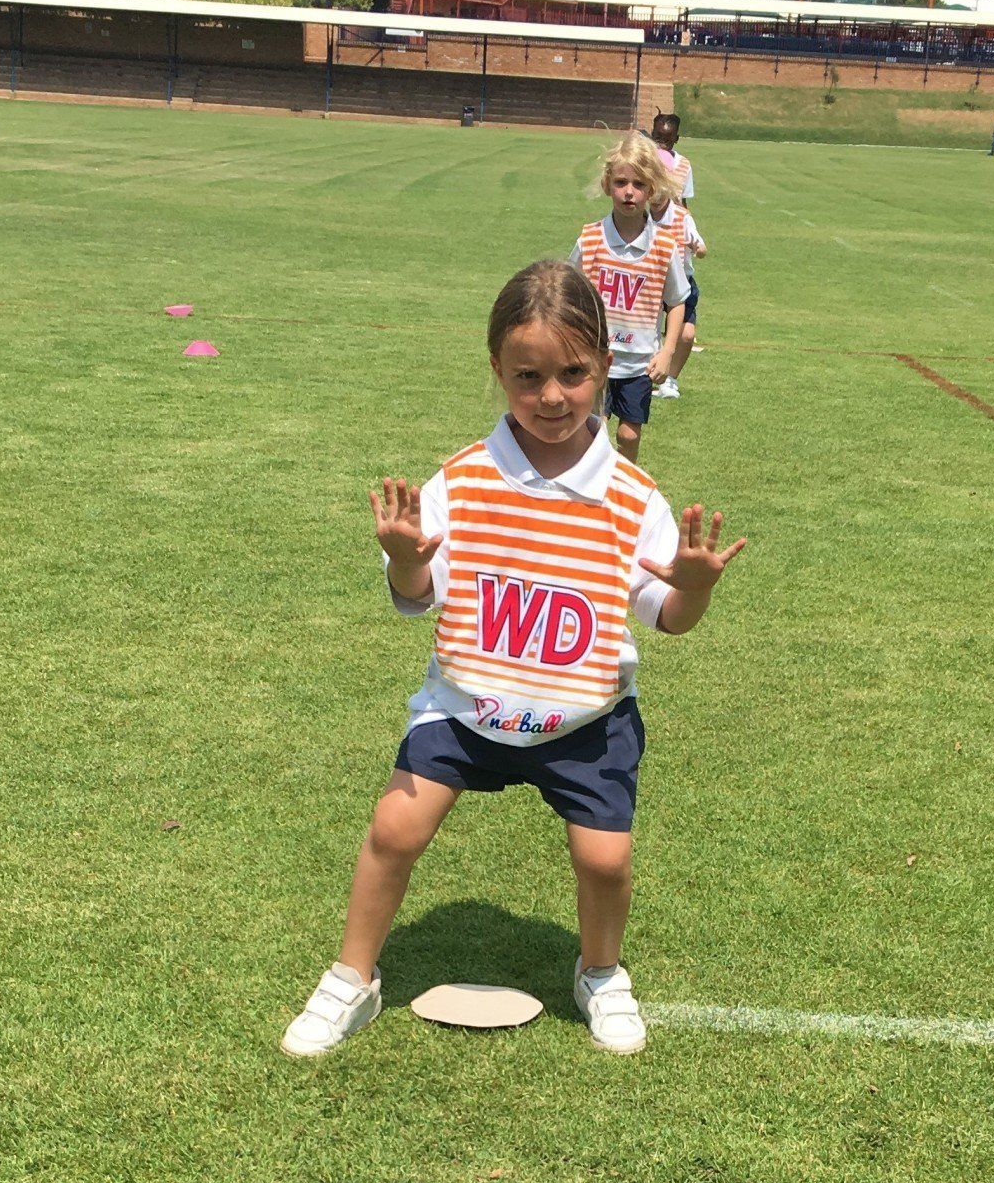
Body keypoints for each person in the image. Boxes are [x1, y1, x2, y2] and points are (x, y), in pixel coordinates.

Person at [281, 260, 744, 1060]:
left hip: (585, 716)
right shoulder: (461, 481)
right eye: (529, 377)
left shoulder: (634, 499)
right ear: (497, 369)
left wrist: (695, 587)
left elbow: (668, 618)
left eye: (575, 373)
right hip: (466, 707)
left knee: (605, 858)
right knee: (395, 828)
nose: (553, 396)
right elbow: (419, 594)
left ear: (605, 366)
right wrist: (402, 559)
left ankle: (600, 972)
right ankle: (350, 978)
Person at [569, 132, 690, 460]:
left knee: (628, 434)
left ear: (652, 189)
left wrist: (666, 352)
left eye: (639, 184)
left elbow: (677, 301)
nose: (629, 192)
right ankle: (592, 491)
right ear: (608, 185)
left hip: (639, 363)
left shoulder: (664, 247)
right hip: (596, 358)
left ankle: (626, 491)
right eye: (621, 182)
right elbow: (568, 290)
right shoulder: (591, 239)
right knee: (594, 431)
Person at [649, 111, 705, 400]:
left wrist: (690, 237)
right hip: (650, 257)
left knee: (685, 333)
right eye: (658, 138)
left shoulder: (683, 166)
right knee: (649, 326)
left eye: (668, 141)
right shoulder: (642, 162)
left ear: (677, 140)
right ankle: (643, 375)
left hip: (678, 258)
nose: (663, 145)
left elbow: (683, 204)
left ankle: (671, 380)